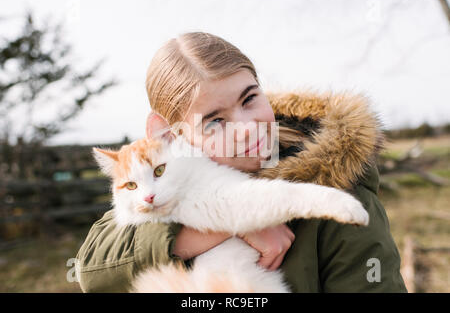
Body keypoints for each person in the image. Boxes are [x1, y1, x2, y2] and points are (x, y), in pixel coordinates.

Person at [76, 32, 407, 292]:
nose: (248, 129)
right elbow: (91, 269)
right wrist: (216, 228)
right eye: (215, 122)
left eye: (250, 98)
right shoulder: (163, 188)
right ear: (175, 139)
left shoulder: (340, 199)